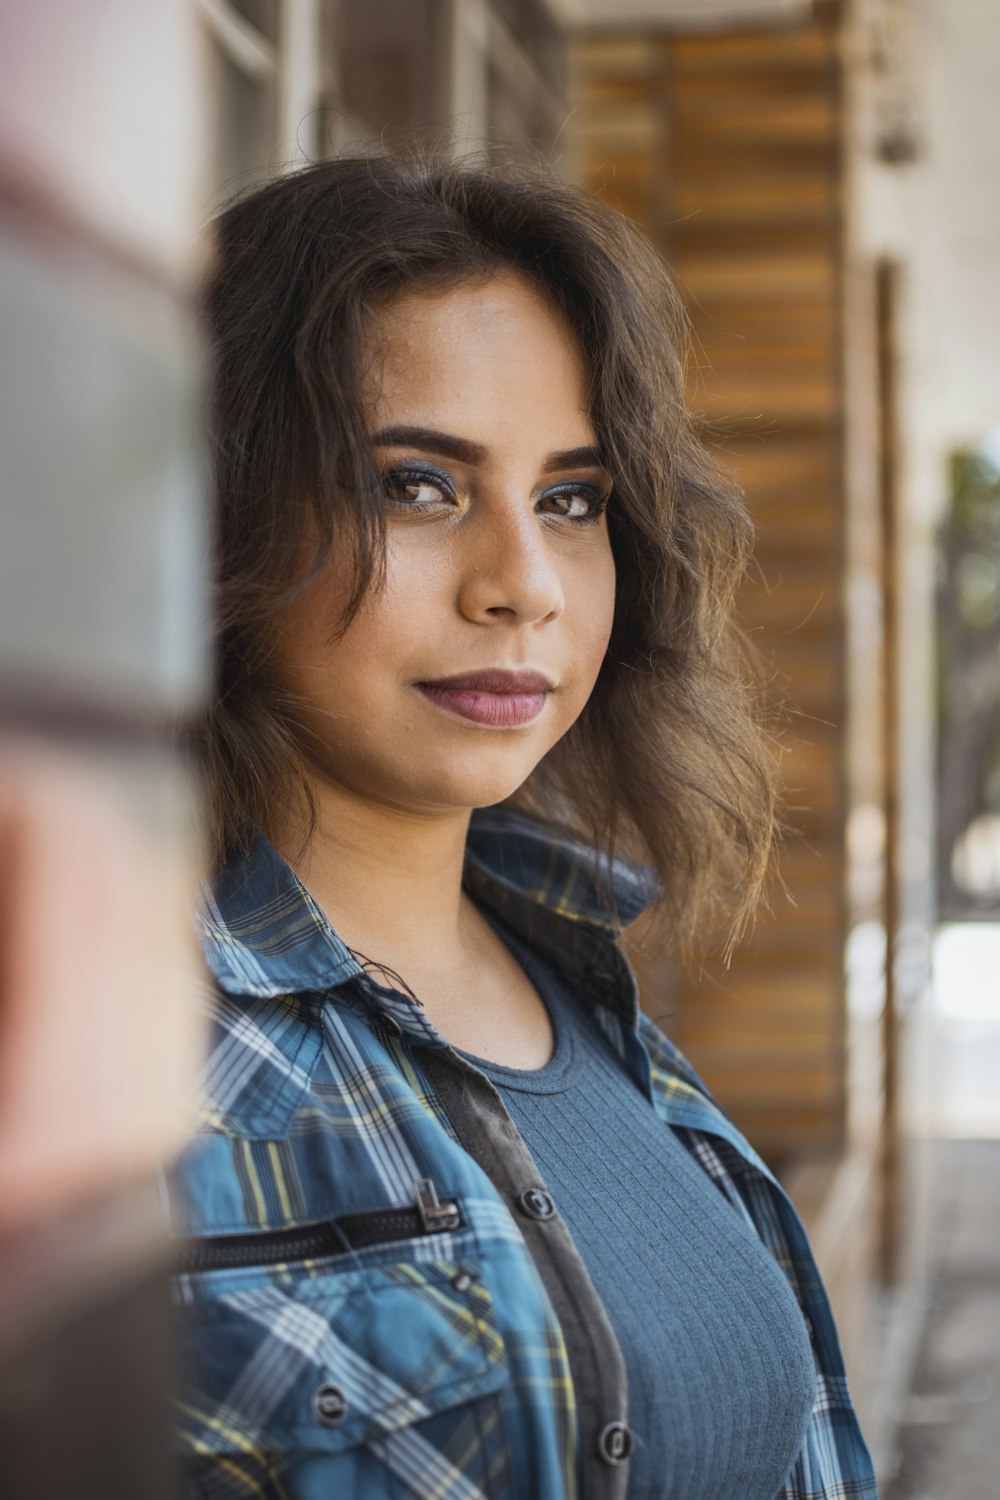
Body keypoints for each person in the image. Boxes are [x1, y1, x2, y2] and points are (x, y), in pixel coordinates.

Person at [167, 153, 878, 1500]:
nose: (527, 585)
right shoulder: (102, 1064)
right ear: (219, 513)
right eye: (416, 486)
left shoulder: (580, 979)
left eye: (571, 500)